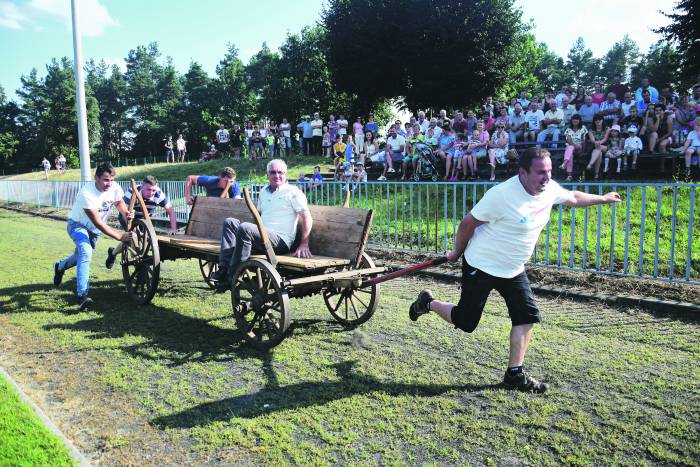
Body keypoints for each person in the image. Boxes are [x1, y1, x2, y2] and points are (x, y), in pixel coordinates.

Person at [408, 148, 621, 393]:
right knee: (466, 322)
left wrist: (603, 198)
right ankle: (428, 302)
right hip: (482, 264)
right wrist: (457, 252)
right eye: (541, 172)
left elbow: (572, 197)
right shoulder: (501, 195)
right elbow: (468, 223)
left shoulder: (549, 189)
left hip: (512, 269)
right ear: (523, 172)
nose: (547, 178)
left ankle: (514, 374)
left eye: (550, 171)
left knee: (526, 316)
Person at [213, 159, 313, 292]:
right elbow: (258, 216)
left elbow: (306, 217)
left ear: (286, 174)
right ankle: (223, 269)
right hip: (263, 236)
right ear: (267, 175)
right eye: (273, 172)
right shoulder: (263, 192)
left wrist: (304, 243)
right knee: (230, 222)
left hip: (280, 241)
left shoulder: (293, 192)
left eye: (280, 172)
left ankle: (233, 276)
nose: (277, 176)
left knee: (245, 228)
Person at [53, 163, 134, 310]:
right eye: (105, 180)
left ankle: (60, 266)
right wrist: (119, 236)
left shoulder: (114, 187)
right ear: (96, 177)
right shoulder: (87, 194)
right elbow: (98, 223)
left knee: (80, 256)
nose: (109, 184)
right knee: (86, 253)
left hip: (93, 231)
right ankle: (82, 296)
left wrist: (125, 213)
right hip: (77, 225)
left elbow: (119, 202)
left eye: (111, 180)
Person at [105, 175, 179, 269]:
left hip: (144, 220)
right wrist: (130, 224)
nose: (151, 193)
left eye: (153, 190)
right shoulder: (132, 192)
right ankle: (139, 268)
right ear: (142, 186)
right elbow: (124, 211)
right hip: (127, 218)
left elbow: (171, 211)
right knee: (133, 238)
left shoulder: (159, 194)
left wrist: (173, 229)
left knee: (130, 240)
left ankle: (113, 253)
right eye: (148, 189)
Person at [560, 114, 587, 181]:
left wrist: (582, 150)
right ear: (571, 120)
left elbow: (584, 140)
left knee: (570, 148)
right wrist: (575, 145)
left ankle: (564, 164)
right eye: (574, 119)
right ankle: (569, 175)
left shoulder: (583, 128)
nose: (575, 120)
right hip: (571, 147)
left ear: (579, 120)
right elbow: (568, 140)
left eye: (577, 119)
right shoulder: (568, 129)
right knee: (570, 150)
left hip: (579, 148)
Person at [587, 114, 609, 180]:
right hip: (594, 147)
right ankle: (596, 175)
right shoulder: (591, 130)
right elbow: (592, 140)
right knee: (600, 154)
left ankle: (590, 164)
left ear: (602, 120)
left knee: (599, 148)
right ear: (594, 121)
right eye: (596, 120)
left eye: (599, 119)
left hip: (605, 146)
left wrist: (599, 143)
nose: (598, 121)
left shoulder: (607, 128)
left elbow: (605, 138)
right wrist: (596, 142)